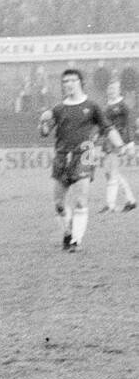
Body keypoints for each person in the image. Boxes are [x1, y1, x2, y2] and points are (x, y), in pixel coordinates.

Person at [39, 69, 124, 253]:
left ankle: (76, 241)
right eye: (65, 81)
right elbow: (45, 133)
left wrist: (121, 146)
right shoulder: (59, 108)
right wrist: (43, 123)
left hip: (85, 156)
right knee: (59, 204)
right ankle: (68, 233)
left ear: (80, 82)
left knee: (80, 200)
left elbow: (108, 128)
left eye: (72, 80)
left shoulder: (92, 106)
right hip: (62, 157)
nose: (68, 84)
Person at [98, 79, 136, 214]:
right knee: (109, 173)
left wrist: (131, 143)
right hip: (108, 143)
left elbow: (130, 124)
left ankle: (110, 205)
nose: (111, 91)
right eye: (109, 89)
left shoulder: (123, 105)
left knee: (112, 172)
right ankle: (130, 201)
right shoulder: (106, 106)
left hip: (120, 141)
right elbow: (104, 128)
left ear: (119, 90)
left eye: (113, 89)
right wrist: (102, 146)